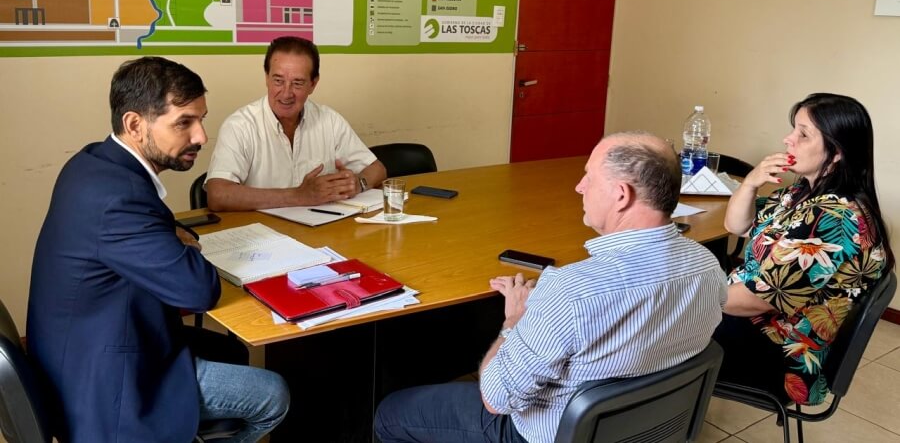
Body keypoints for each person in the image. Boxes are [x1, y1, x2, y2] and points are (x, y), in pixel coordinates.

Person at [374, 132, 727, 443]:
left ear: (621, 195)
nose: (579, 187)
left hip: (544, 432)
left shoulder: (571, 289)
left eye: (589, 177)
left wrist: (515, 321)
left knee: (390, 413)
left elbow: (496, 400)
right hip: (646, 427)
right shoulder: (708, 266)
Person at [26, 57, 290, 442]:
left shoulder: (95, 163)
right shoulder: (119, 197)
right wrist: (186, 249)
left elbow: (159, 224)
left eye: (201, 119)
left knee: (231, 351)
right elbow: (200, 291)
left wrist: (174, 237)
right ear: (135, 124)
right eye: (184, 122)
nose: (200, 136)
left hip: (83, 344)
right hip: (107, 383)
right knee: (273, 395)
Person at [715, 92, 894, 406]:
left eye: (802, 134)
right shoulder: (802, 192)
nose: (788, 139)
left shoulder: (834, 220)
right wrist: (751, 183)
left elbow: (753, 302)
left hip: (782, 355)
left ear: (836, 152)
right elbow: (737, 226)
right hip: (759, 325)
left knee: (659, 328)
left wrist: (687, 297)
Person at [205, 36, 387, 211]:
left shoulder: (329, 120)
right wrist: (299, 196)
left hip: (320, 230)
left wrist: (358, 184)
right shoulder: (240, 126)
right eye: (278, 81)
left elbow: (377, 169)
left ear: (313, 84)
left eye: (297, 83)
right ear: (266, 78)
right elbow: (218, 195)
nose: (286, 93)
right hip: (262, 235)